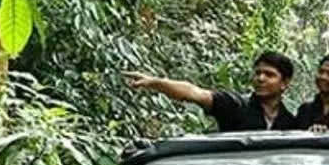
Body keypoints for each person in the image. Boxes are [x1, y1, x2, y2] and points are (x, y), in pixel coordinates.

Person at [126, 51, 299, 133]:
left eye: (269, 75)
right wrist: (155, 82)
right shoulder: (235, 105)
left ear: (284, 83)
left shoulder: (290, 121)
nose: (260, 78)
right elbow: (195, 93)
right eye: (258, 73)